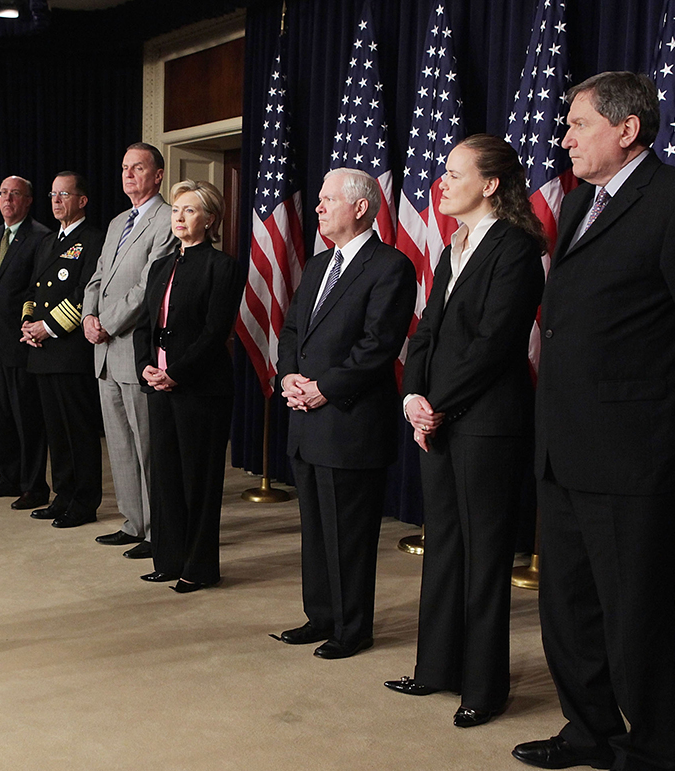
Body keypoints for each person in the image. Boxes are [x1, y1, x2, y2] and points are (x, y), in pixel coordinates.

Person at [514, 72, 675, 771]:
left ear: (626, 130)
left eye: (578, 124)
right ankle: (588, 728)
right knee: (569, 606)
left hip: (634, 452)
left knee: (633, 614)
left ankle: (648, 755)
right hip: (564, 445)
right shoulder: (582, 202)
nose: (564, 138)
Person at [383, 135, 545, 727]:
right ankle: (436, 669)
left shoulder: (517, 247)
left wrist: (438, 404)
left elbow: (496, 343)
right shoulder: (455, 243)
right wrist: (412, 396)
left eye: (454, 173)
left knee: (483, 557)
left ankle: (485, 685)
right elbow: (426, 332)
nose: (441, 182)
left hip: (487, 425)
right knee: (444, 548)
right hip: (440, 418)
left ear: (492, 183)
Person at [274, 167, 415, 659]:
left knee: (349, 536)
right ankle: (321, 616)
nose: (317, 207)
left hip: (348, 423)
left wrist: (323, 389)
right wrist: (288, 377)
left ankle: (352, 629)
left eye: (326, 199)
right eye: (318, 199)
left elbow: (379, 346)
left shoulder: (389, 266)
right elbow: (292, 332)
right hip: (305, 418)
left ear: (359, 207)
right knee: (315, 530)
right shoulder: (316, 266)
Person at [133, 181, 245, 592]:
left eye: (190, 211)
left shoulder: (223, 266)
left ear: (210, 219)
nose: (179, 217)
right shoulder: (161, 266)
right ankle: (168, 558)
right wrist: (146, 366)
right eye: (176, 210)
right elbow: (146, 326)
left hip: (201, 390)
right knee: (164, 475)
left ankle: (198, 567)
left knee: (198, 479)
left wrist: (175, 372)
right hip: (158, 387)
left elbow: (215, 332)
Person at [82, 143, 179, 560]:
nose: (129, 174)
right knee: (119, 443)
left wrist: (109, 322)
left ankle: (160, 528)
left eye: (138, 168)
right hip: (103, 351)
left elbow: (149, 286)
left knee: (147, 445)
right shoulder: (118, 220)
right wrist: (88, 316)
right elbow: (97, 278)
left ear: (158, 175)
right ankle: (133, 522)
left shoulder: (167, 219)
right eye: (124, 168)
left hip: (134, 348)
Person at [21, 173, 105, 529]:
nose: (56, 200)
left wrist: (49, 327)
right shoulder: (47, 241)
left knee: (78, 431)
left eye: (64, 194)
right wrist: (27, 324)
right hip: (41, 350)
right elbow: (33, 289)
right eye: (53, 194)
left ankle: (84, 501)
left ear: (81, 200)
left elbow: (86, 293)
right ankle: (64, 495)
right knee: (56, 431)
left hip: (69, 349)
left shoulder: (93, 240)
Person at [0, 176, 51, 510]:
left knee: (27, 418)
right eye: (3, 193)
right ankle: (8, 477)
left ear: (29, 200)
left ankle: (34, 486)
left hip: (22, 340)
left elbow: (37, 289)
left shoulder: (40, 237)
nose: (7, 199)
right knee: (1, 416)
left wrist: (29, 322)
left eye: (15, 194)